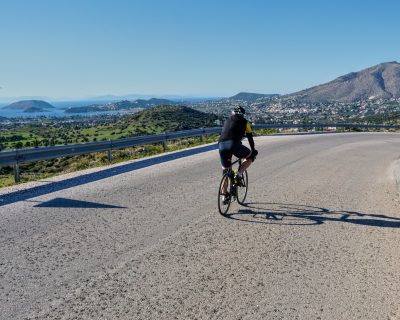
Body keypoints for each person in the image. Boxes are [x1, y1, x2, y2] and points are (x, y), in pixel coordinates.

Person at [218, 106, 258, 202]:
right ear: (242, 114)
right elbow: (250, 138)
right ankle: (239, 174)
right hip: (234, 145)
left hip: (221, 145)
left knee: (225, 169)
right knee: (250, 157)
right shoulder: (245, 122)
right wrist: (253, 150)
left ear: (233, 113)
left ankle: (224, 195)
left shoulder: (227, 120)